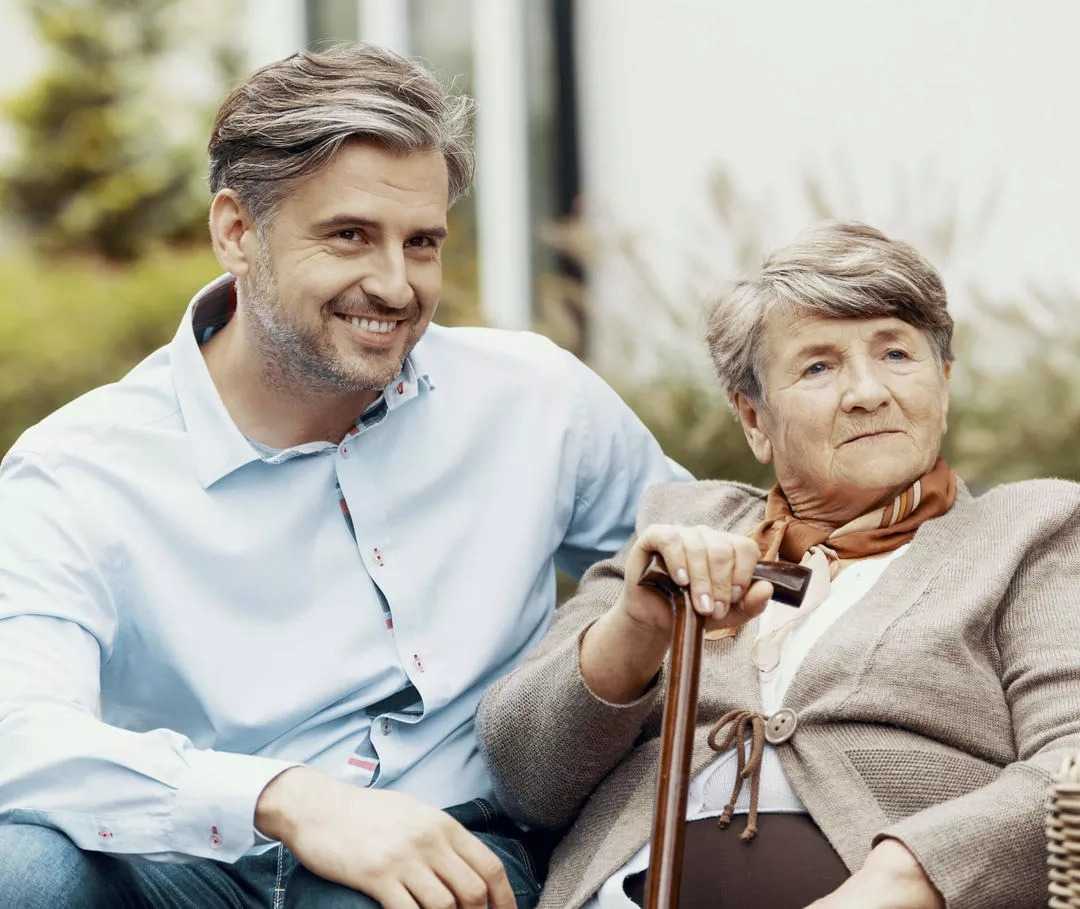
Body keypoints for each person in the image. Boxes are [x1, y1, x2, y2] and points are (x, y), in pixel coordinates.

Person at [0, 44, 687, 909]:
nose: (396, 286)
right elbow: (16, 732)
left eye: (423, 243)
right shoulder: (79, 470)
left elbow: (715, 550)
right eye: (351, 235)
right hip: (183, 865)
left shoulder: (538, 402)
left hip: (449, 849)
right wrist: (285, 798)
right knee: (17, 870)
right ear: (236, 232)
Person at [478, 221, 1080, 909]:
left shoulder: (1030, 533)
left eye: (896, 354)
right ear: (754, 420)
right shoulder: (684, 529)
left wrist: (900, 882)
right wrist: (641, 626)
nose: (867, 391)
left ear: (943, 384)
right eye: (819, 366)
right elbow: (526, 777)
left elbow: (1070, 768)